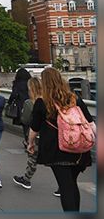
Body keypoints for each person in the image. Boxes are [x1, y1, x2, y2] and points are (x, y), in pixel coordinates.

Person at [28, 67, 95, 211]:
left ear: (44, 83)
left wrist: (30, 143)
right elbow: (90, 123)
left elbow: (34, 128)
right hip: (79, 149)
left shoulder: (42, 102)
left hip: (57, 149)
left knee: (66, 186)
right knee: (72, 184)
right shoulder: (74, 98)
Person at [13, 77, 55, 191]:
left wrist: (29, 141)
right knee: (54, 160)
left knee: (32, 158)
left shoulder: (29, 103)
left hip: (35, 134)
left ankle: (26, 179)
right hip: (49, 134)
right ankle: (62, 185)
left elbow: (25, 120)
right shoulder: (49, 101)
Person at [7, 68, 32, 147]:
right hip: (32, 103)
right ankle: (32, 140)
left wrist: (9, 102)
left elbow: (14, 95)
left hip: (21, 105)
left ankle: (27, 140)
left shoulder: (17, 83)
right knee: (33, 123)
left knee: (25, 123)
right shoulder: (30, 83)